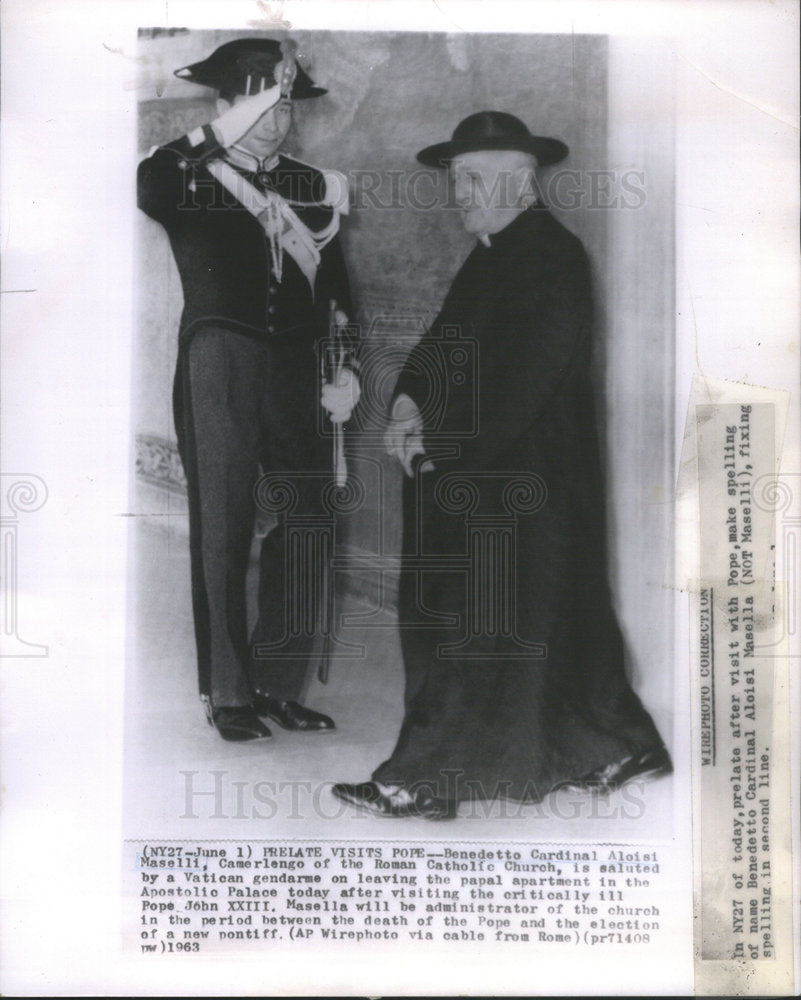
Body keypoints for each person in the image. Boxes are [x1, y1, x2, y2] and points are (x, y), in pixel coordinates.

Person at [332, 111, 671, 817]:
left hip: (524, 483)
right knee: (551, 620)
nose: (461, 192)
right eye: (457, 179)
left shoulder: (551, 255)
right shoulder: (494, 252)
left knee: (471, 628)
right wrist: (406, 408)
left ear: (522, 182)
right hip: (491, 475)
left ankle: (424, 779)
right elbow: (438, 346)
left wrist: (439, 447)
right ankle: (618, 746)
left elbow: (525, 382)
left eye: (476, 179)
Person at [137, 37, 359, 741]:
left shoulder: (308, 183)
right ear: (226, 106)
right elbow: (150, 184)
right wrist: (215, 135)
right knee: (224, 526)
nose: (276, 118)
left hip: (296, 362)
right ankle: (228, 693)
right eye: (261, 102)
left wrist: (345, 367)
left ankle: (275, 681)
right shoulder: (184, 172)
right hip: (220, 356)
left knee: (311, 518)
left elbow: (335, 289)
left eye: (285, 104)